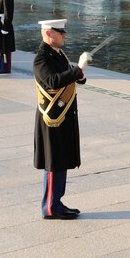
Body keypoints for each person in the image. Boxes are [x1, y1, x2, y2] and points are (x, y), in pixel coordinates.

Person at [34, 19, 88, 220]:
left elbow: (69, 75)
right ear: (49, 33)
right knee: (54, 162)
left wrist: (80, 74)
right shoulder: (41, 58)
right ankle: (49, 207)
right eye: (60, 32)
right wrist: (77, 70)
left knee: (61, 161)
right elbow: (52, 81)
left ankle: (56, 201)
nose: (64, 35)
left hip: (63, 116)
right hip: (52, 119)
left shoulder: (58, 54)